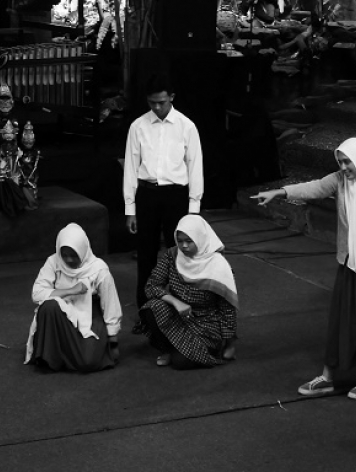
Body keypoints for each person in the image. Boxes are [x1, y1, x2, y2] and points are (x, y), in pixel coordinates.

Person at [252, 137, 356, 400]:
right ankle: (329, 375)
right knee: (342, 319)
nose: (344, 167)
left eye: (348, 162)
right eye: (340, 161)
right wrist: (279, 192)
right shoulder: (340, 181)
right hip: (350, 263)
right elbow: (315, 188)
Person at [123, 74, 204, 332]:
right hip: (146, 194)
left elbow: (195, 167)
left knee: (179, 256)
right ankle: (146, 315)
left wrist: (193, 210)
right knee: (145, 256)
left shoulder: (186, 126)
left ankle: (182, 312)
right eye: (152, 103)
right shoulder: (138, 126)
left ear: (171, 97)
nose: (156, 108)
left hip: (175, 195)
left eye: (161, 102)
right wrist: (130, 208)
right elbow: (130, 168)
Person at [139, 214, 238, 369]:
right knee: (152, 307)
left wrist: (229, 344)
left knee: (181, 362)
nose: (184, 246)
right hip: (180, 315)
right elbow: (152, 286)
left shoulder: (218, 266)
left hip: (207, 324)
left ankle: (177, 350)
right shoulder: (172, 255)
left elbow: (227, 308)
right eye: (180, 241)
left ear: (200, 239)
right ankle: (168, 348)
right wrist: (175, 301)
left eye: (189, 241)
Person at [24, 223, 123, 372]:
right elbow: (37, 294)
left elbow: (111, 305)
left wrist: (113, 341)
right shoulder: (53, 262)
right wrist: (71, 290)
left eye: (73, 255)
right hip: (62, 314)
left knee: (88, 362)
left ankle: (75, 353)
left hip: (90, 314)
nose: (69, 260)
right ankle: (51, 357)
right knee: (49, 306)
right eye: (65, 255)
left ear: (82, 250)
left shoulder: (98, 269)